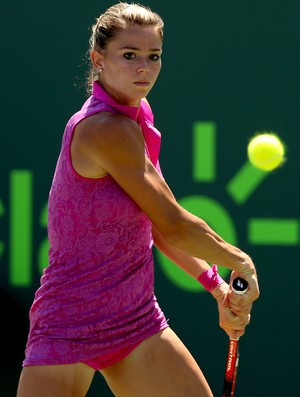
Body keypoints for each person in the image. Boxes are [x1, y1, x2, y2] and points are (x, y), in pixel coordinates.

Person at [17, 3, 259, 397]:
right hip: (68, 321)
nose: (143, 68)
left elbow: (159, 229)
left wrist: (217, 287)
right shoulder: (104, 129)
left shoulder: (136, 114)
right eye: (129, 55)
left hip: (133, 319)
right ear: (99, 59)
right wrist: (240, 261)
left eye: (153, 56)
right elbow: (176, 224)